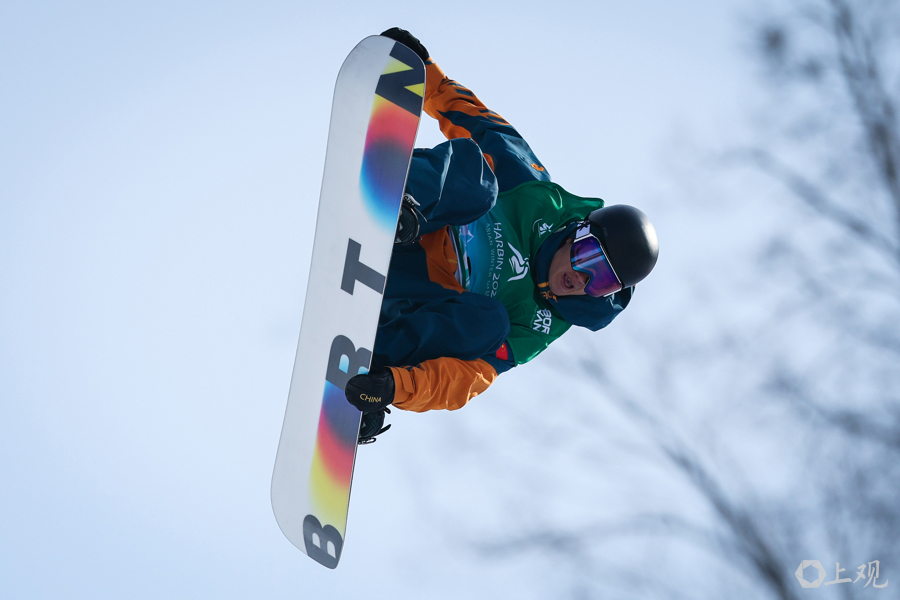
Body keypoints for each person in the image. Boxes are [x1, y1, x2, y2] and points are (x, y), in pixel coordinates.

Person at [347, 28, 659, 442]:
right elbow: (481, 125)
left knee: (489, 325)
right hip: (414, 224)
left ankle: (375, 358)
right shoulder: (537, 196)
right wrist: (423, 75)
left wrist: (395, 387)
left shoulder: (540, 326)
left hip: (407, 292)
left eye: (599, 282)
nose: (580, 279)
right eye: (588, 258)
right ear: (576, 232)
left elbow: (469, 377)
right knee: (480, 176)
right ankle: (394, 207)